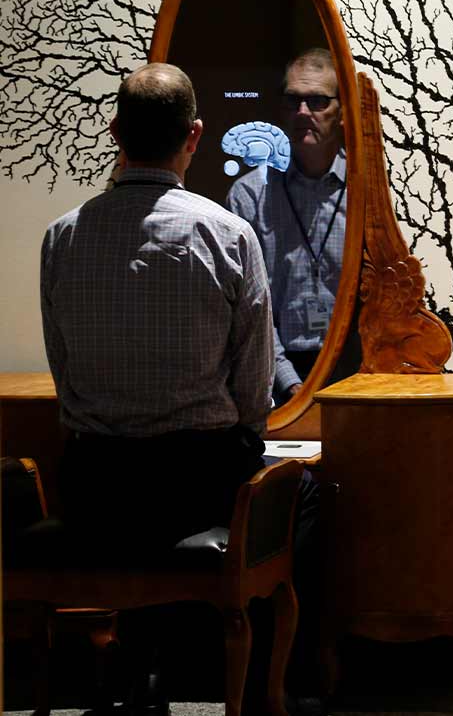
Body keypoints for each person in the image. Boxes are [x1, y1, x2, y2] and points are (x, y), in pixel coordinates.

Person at [40, 62, 276, 710]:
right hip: (193, 483)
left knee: (128, 509)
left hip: (96, 485)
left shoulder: (61, 239)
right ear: (194, 135)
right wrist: (242, 434)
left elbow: (64, 377)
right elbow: (256, 390)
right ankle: (236, 686)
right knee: (298, 501)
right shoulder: (229, 234)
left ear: (115, 130)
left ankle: (133, 662)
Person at [226, 48, 346, 403]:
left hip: (355, 366)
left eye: (318, 101)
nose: (303, 112)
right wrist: (290, 382)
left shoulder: (367, 191)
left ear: (343, 112)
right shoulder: (250, 195)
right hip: (277, 373)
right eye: (293, 100)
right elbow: (248, 308)